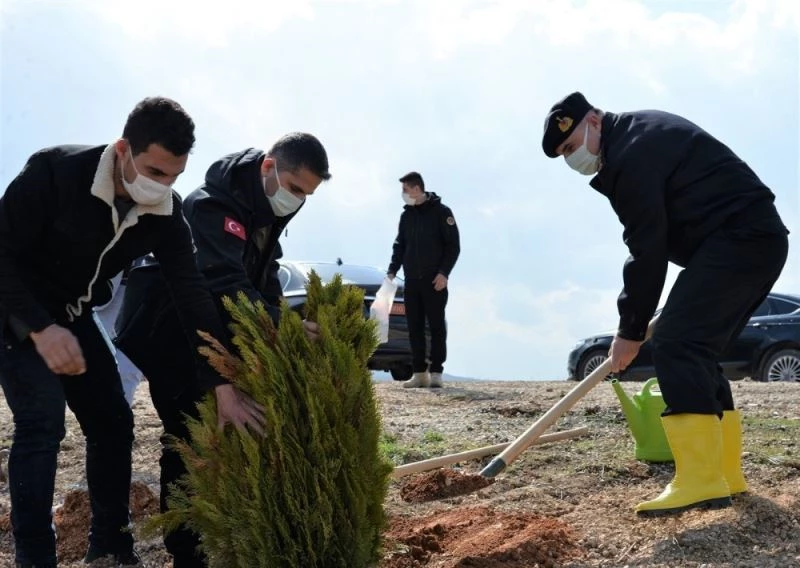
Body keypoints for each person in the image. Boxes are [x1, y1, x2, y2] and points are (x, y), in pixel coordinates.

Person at [0, 96, 264, 568]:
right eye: (154, 171)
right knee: (42, 418)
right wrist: (39, 329)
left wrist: (221, 383)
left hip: (73, 315)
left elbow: (192, 297)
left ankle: (111, 548)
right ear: (123, 149)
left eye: (175, 176)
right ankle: (34, 558)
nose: (162, 186)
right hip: (12, 309)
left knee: (114, 420)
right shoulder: (54, 172)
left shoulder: (165, 213)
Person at [541, 92, 789, 516]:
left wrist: (630, 330)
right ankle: (725, 474)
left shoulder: (629, 155)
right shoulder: (640, 133)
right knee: (698, 351)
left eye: (572, 144)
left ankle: (699, 479)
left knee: (676, 342)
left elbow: (646, 247)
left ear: (595, 120)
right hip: (753, 240)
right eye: (565, 153)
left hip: (740, 240)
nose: (572, 158)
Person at [114, 133, 331, 568]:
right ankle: (184, 555)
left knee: (216, 436)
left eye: (306, 194)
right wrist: (283, 325)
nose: (298, 200)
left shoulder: (263, 215)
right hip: (169, 332)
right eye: (294, 188)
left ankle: (209, 541)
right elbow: (224, 285)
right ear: (269, 167)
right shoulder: (213, 206)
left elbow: (263, 280)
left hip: (208, 337)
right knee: (188, 440)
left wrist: (283, 324)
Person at [387, 172, 460, 389]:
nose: (403, 195)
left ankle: (436, 372)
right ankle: (419, 373)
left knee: (436, 326)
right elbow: (399, 245)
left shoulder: (442, 212)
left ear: (416, 189)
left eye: (405, 190)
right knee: (414, 327)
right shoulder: (406, 216)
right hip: (412, 280)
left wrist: (444, 273)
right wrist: (392, 270)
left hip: (434, 280)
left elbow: (453, 246)